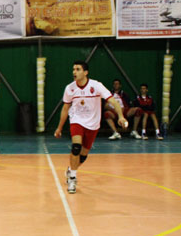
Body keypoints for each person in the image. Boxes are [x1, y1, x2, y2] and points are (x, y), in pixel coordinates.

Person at [54, 60, 128, 194]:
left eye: (77, 69)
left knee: (83, 156)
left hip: (93, 124)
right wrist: (59, 128)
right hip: (76, 120)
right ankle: (73, 178)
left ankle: (71, 169)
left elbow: (112, 101)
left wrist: (121, 116)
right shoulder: (70, 88)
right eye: (73, 69)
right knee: (76, 147)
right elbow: (65, 109)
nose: (74, 72)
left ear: (85, 72)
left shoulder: (96, 86)